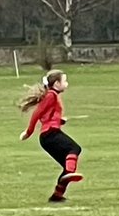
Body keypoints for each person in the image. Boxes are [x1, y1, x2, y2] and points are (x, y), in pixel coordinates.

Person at [19, 70, 84, 203]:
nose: (67, 84)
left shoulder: (53, 95)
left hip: (49, 134)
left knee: (67, 165)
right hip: (50, 134)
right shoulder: (51, 95)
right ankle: (69, 174)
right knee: (74, 149)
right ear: (56, 83)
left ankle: (57, 196)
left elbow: (48, 116)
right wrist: (28, 132)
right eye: (64, 81)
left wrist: (60, 120)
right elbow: (37, 113)